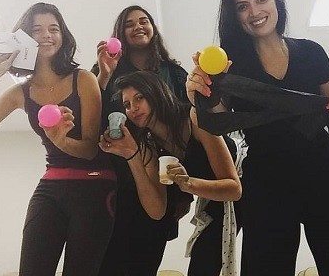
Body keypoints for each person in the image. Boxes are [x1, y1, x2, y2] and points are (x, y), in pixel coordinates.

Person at [186, 0, 329, 276]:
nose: (255, 12)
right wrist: (201, 90)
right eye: (242, 6)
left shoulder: (311, 52)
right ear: (234, 15)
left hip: (324, 172)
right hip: (267, 181)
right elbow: (217, 120)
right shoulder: (229, 66)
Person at [0, 3, 115, 276]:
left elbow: (91, 149)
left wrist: (60, 140)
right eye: (36, 30)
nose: (46, 35)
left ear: (63, 36)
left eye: (54, 29)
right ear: (24, 38)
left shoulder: (84, 79)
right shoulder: (21, 93)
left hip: (94, 186)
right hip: (51, 189)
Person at [99, 71, 242, 275]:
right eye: (127, 104)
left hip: (248, 182)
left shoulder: (194, 119)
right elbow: (157, 210)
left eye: (139, 98)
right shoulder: (148, 143)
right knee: (203, 261)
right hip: (213, 198)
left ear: (156, 93)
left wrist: (188, 184)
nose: (133, 108)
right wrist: (132, 155)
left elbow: (234, 189)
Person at [92, 5, 194, 276]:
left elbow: (186, 133)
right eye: (129, 23)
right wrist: (103, 74)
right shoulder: (105, 71)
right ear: (120, 33)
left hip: (163, 179)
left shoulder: (175, 74)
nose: (138, 26)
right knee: (106, 262)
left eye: (144, 21)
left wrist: (184, 194)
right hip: (114, 181)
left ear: (153, 28)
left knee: (146, 259)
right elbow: (89, 116)